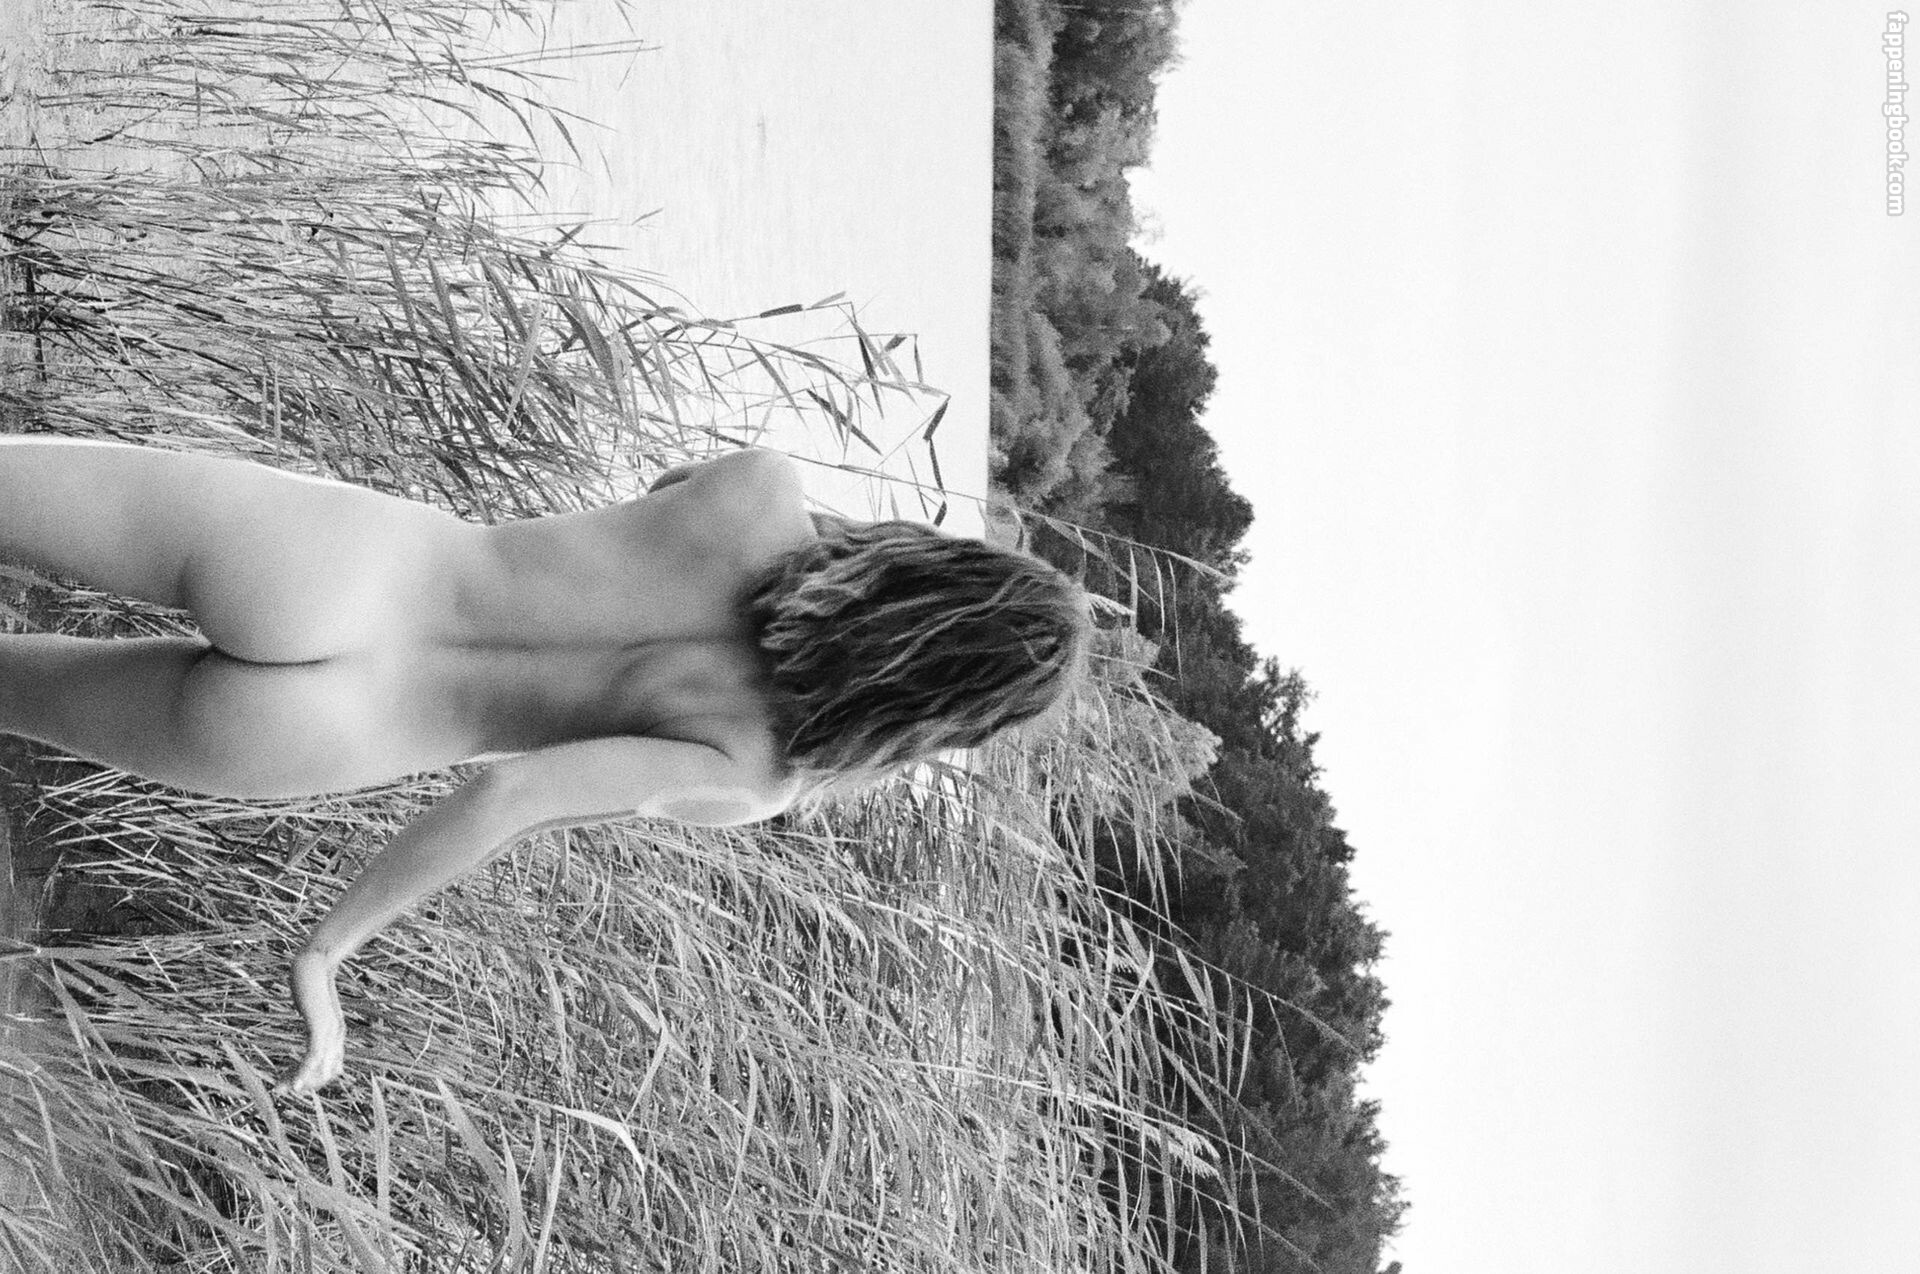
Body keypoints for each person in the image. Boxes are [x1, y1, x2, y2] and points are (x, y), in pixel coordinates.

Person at [0, 437, 1088, 1093]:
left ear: (945, 563)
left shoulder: (759, 491)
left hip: (342, 565)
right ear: (942, 715)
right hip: (331, 729)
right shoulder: (753, 773)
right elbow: (510, 792)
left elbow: (675, 491)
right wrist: (327, 952)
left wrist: (850, 558)